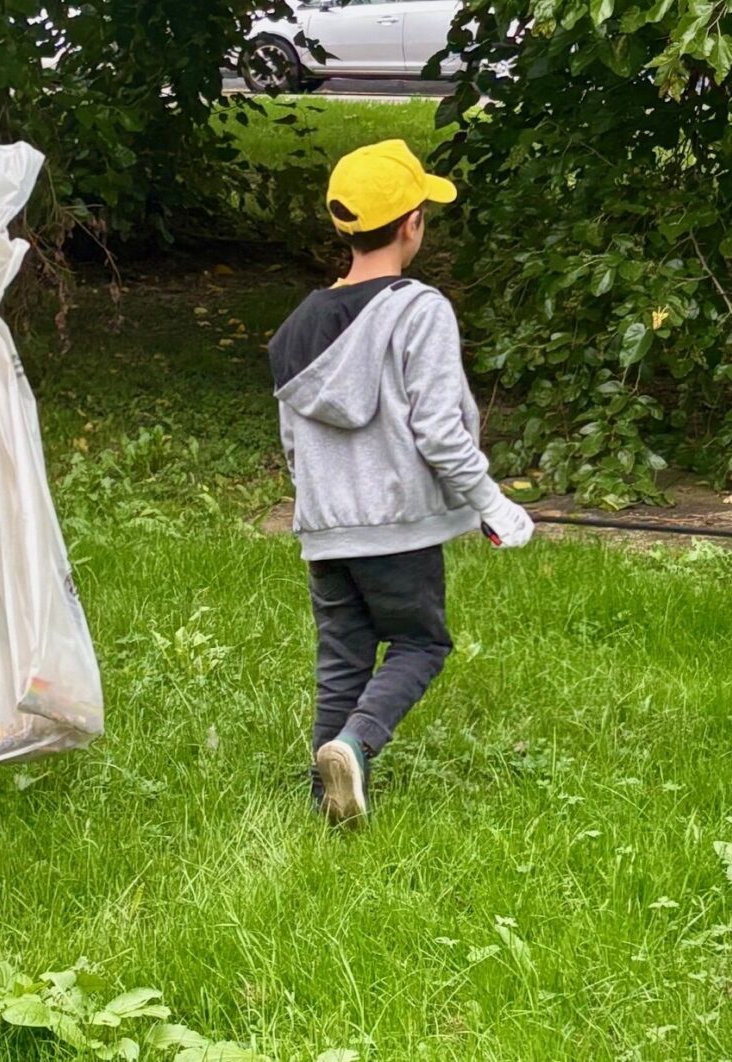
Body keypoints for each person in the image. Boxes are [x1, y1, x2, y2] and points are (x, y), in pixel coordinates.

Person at [268, 139, 534, 828]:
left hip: (326, 528)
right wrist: (492, 504)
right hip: (394, 526)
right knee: (421, 643)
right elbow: (441, 431)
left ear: (345, 226)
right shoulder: (420, 310)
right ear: (413, 221)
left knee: (343, 659)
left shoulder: (297, 328)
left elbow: (294, 443)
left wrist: (322, 505)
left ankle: (322, 791)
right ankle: (355, 746)